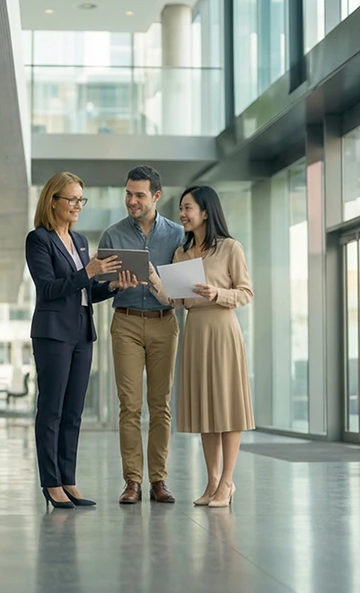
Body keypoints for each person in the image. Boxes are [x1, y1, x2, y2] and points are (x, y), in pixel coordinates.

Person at [26, 172, 139, 510]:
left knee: (74, 411)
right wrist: (87, 272)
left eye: (80, 200)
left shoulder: (80, 242)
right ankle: (51, 483)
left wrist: (114, 286)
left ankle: (68, 480)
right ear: (53, 201)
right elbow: (48, 289)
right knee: (52, 409)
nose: (77, 206)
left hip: (80, 331)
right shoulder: (39, 240)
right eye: (72, 199)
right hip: (52, 333)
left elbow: (86, 291)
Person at [148, 185, 254, 508]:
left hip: (222, 330)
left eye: (188, 208)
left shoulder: (230, 248)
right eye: (181, 208)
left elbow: (246, 293)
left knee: (227, 409)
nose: (182, 214)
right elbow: (176, 300)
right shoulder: (181, 254)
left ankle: (227, 483)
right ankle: (211, 483)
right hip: (194, 330)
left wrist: (217, 294)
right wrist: (155, 282)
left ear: (205, 211)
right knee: (207, 410)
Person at [98, 166, 185, 504]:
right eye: (128, 194)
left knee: (160, 405)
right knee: (129, 406)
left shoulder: (178, 235)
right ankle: (132, 481)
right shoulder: (112, 235)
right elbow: (97, 283)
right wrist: (113, 283)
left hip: (165, 321)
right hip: (127, 322)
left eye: (139, 195)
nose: (131, 201)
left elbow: (181, 289)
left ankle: (158, 481)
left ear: (156, 197)